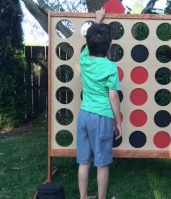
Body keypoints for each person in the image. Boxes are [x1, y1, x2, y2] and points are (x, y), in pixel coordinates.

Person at [77, 8, 122, 199]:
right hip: (102, 117)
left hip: (84, 115)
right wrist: (117, 121)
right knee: (102, 163)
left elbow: (90, 43)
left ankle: (83, 197)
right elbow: (113, 96)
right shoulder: (111, 67)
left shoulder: (84, 59)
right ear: (109, 46)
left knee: (84, 162)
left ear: (88, 43)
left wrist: (97, 21)